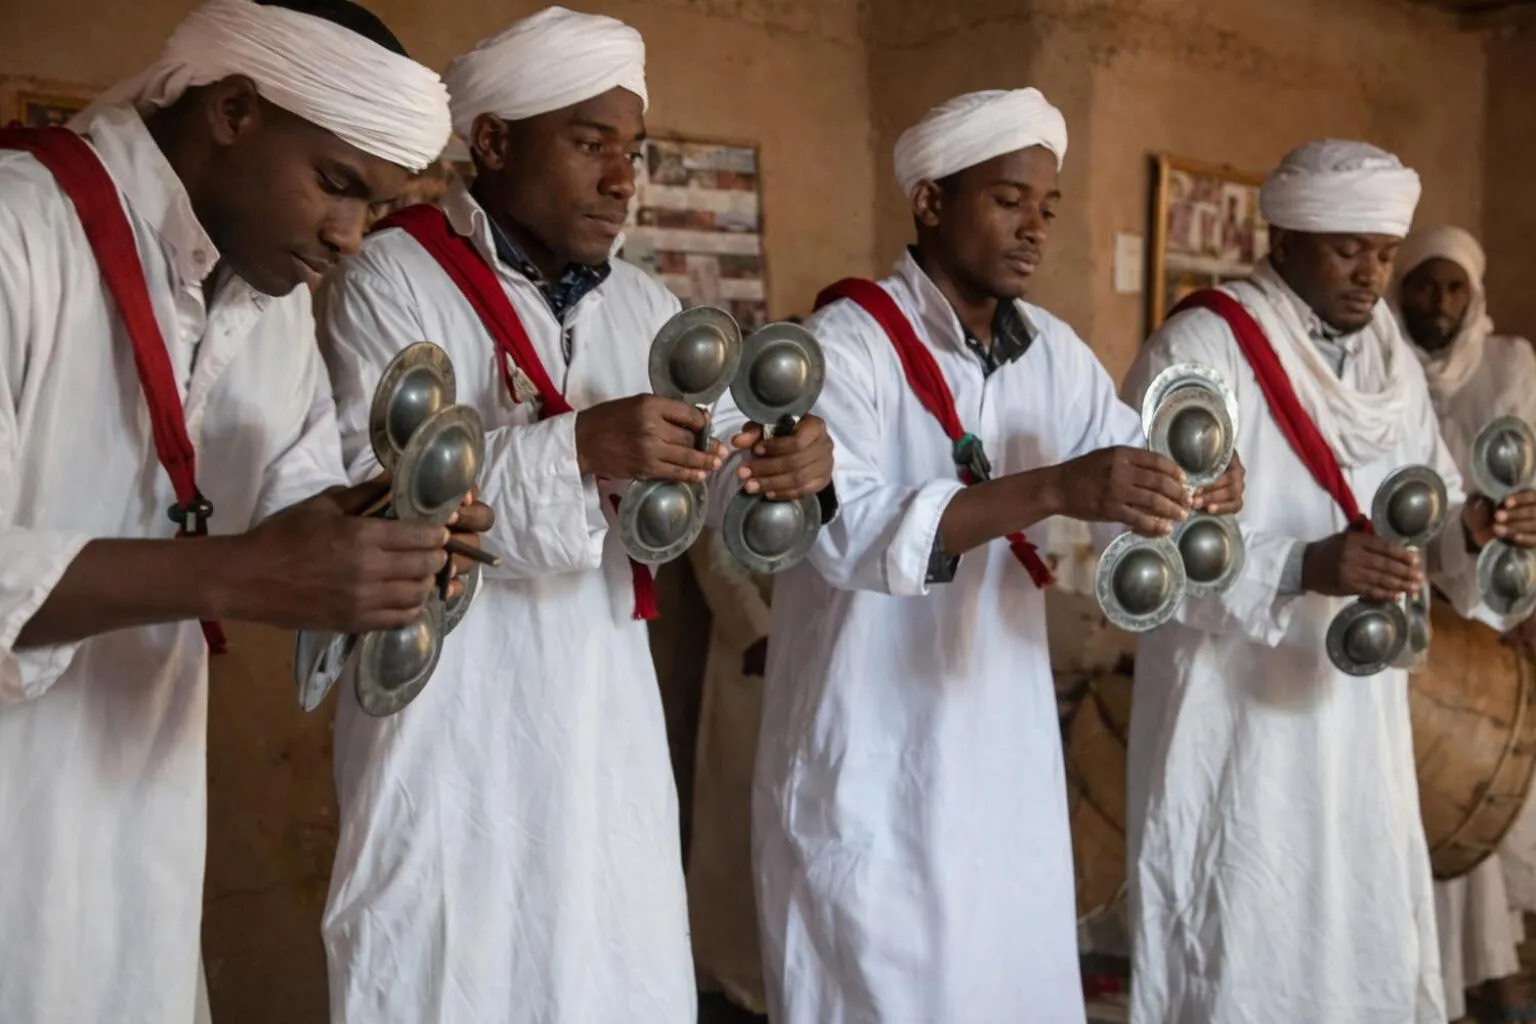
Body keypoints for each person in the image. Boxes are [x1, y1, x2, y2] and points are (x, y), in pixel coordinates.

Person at [316, 8, 835, 1022]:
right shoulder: (391, 275)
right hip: (451, 723)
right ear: (496, 141)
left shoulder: (641, 305)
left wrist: (786, 464)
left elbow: (721, 469)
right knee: (450, 963)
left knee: (608, 957)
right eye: (589, 143)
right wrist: (582, 446)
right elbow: (372, 501)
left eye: (631, 152)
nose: (619, 178)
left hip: (603, 715)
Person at [0, 1, 494, 1022]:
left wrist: (392, 531)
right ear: (232, 110)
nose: (349, 237)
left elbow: (295, 492)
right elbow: (250, 557)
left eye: (379, 206)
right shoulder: (19, 232)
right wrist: (238, 574)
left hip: (140, 815)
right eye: (338, 185)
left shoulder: (263, 300)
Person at [731, 88, 1242, 1024]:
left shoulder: (1054, 352)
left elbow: (1129, 471)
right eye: (1008, 199)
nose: (1034, 228)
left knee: (1005, 985)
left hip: (1000, 750)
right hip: (873, 748)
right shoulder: (845, 346)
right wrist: (1053, 488)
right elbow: (848, 533)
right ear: (930, 201)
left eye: (1046, 205)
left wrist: (1192, 485)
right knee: (882, 992)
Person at [1122, 141, 1536, 1024]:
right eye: (1348, 249)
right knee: (1242, 931)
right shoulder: (1204, 344)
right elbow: (1145, 545)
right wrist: (1305, 564)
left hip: (1358, 709)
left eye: (1383, 253)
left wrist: (1478, 525)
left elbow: (1429, 488)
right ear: (1284, 234)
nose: (1371, 275)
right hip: (1233, 717)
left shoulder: (1385, 347)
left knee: (1356, 924)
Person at [1395, 225, 1536, 1023]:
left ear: (1473, 295)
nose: (1437, 302)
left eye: (1452, 288)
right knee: (1428, 801)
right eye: (1423, 284)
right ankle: (1447, 993)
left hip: (1494, 613)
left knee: (1477, 792)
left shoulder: (1510, 366)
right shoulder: (1384, 365)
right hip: (1412, 608)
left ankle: (1487, 986)